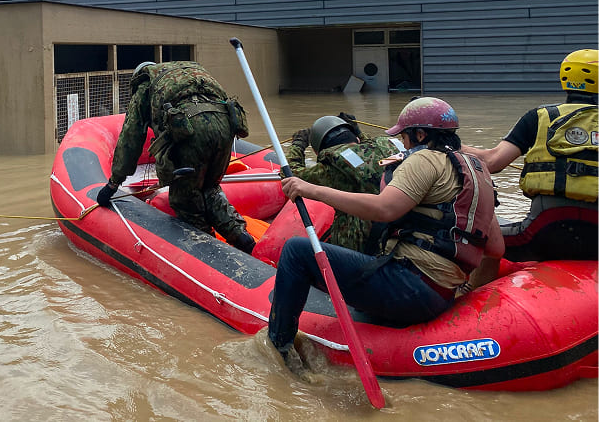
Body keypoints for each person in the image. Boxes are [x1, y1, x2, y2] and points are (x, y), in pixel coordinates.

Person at [267, 97, 503, 373]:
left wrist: (309, 189)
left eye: (404, 136)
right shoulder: (478, 172)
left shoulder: (425, 159)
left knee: (297, 251)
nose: (402, 144)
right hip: (441, 294)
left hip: (407, 289)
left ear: (420, 134)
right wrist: (463, 290)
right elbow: (496, 248)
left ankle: (278, 351)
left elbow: (384, 208)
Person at [95, 61, 255, 253]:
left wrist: (114, 183)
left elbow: (131, 137)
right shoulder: (187, 72)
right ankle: (242, 239)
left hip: (192, 132)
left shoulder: (146, 86)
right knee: (210, 189)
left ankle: (211, 254)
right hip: (225, 126)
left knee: (185, 199)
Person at [462, 49, 598, 261]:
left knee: (475, 240)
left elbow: (492, 162)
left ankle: (470, 291)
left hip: (543, 231)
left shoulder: (540, 117)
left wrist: (448, 143)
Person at [288, 113, 406, 252]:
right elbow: (368, 155)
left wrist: (298, 144)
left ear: (316, 151)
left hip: (363, 244)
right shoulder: (386, 151)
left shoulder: (333, 168)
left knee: (294, 248)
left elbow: (291, 175)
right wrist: (358, 130)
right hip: (401, 231)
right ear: (356, 138)